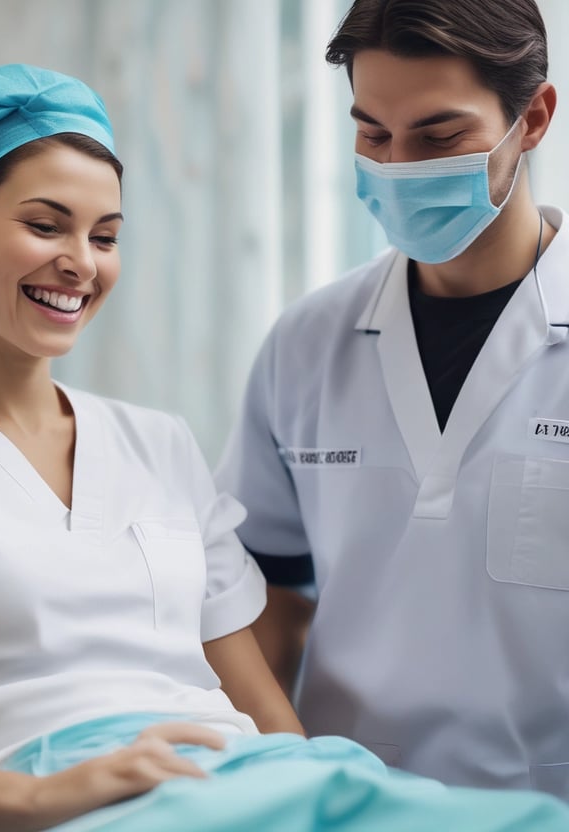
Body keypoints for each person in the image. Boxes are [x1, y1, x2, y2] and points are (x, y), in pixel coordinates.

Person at [0, 62, 567, 832]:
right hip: (76, 798)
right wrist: (40, 798)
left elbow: (265, 711)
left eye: (105, 236)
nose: (80, 261)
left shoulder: (157, 444)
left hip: (259, 780)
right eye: (44, 225)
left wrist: (324, 797)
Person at [215, 0, 569, 798]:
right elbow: (265, 599)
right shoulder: (306, 344)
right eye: (373, 133)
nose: (400, 166)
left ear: (535, 117)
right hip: (345, 803)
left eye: (440, 137)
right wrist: (279, 774)